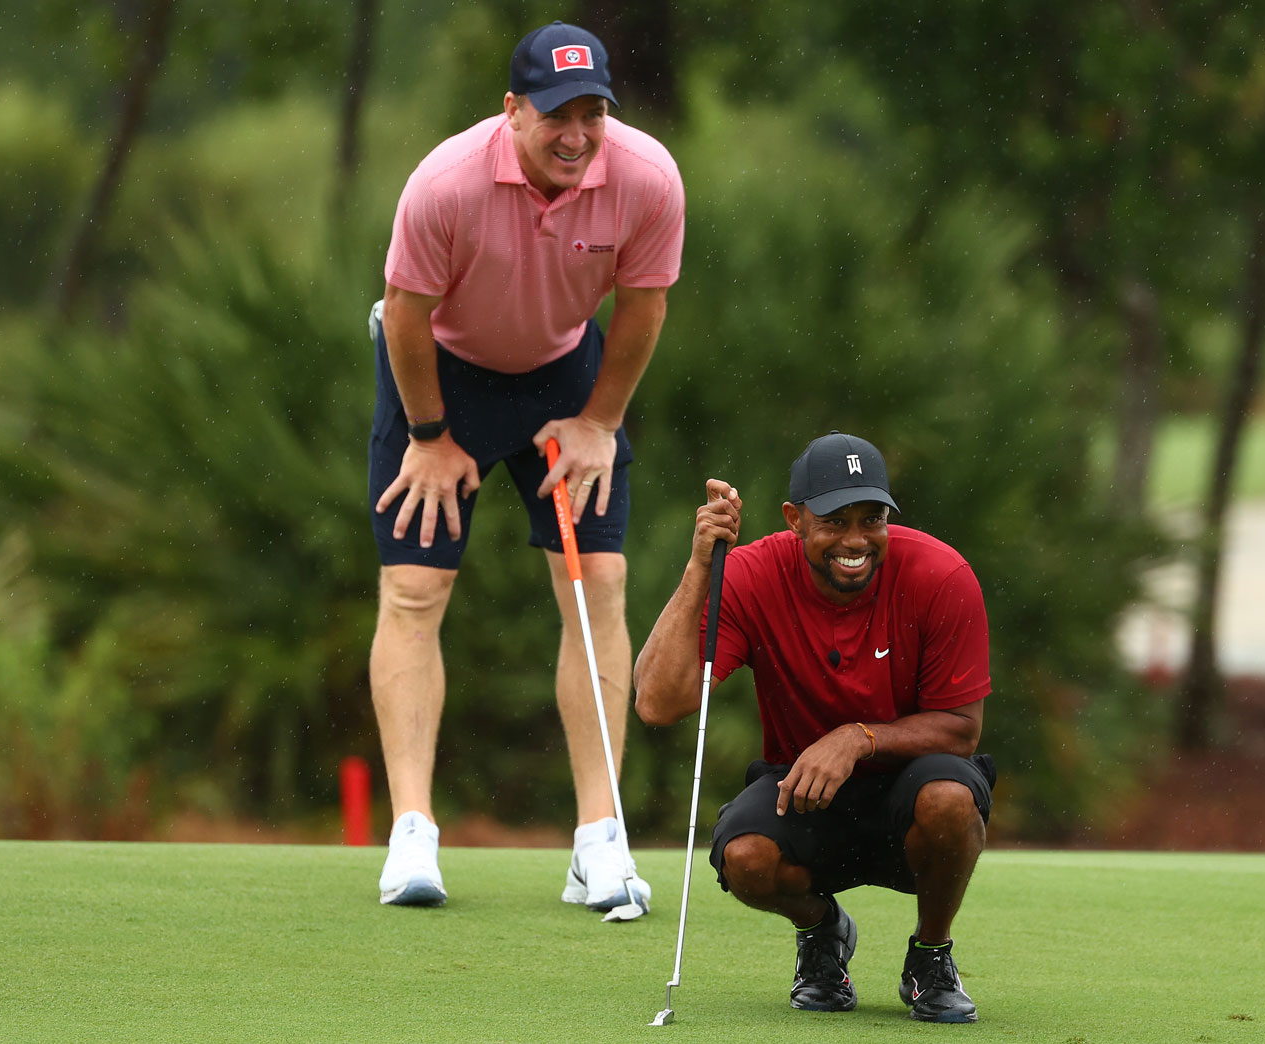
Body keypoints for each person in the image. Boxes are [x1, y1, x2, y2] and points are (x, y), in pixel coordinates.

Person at [367, 21, 684, 915]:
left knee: (601, 585)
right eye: (556, 115)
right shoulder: (445, 183)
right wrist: (430, 435)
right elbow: (403, 314)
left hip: (566, 376)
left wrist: (599, 422)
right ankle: (413, 834)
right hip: (439, 376)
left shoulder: (648, 178)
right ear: (513, 111)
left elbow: (644, 305)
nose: (577, 134)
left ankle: (598, 842)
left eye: (593, 113)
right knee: (414, 593)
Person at [634, 432, 995, 1022]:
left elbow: (962, 731)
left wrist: (858, 737)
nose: (856, 540)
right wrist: (700, 567)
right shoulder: (751, 574)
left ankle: (931, 956)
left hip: (914, 788)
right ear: (794, 518)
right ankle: (823, 931)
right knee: (745, 857)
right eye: (833, 521)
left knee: (952, 799)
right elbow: (657, 702)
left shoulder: (941, 574)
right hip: (804, 790)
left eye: (872, 519)